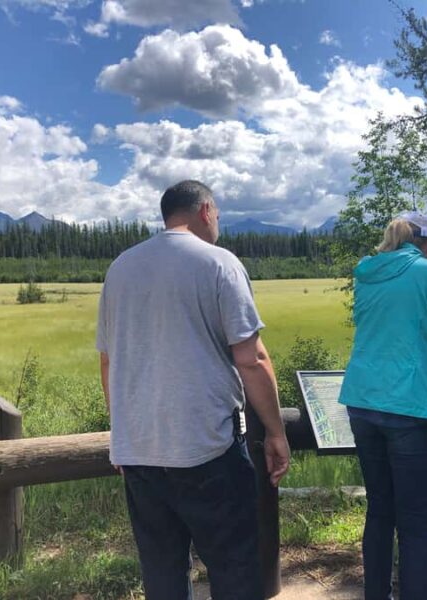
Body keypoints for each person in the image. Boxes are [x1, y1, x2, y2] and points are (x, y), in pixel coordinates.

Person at [96, 180, 290, 600]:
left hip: (139, 451)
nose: (217, 222)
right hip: (208, 447)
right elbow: (252, 359)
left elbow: (108, 360)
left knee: (162, 570)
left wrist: (121, 434)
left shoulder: (120, 268)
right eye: (217, 214)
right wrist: (275, 432)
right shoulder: (219, 263)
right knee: (234, 566)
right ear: (205, 211)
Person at [338, 212, 427, 600]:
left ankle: (376, 594)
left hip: (362, 402)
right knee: (413, 521)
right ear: (426, 244)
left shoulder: (365, 272)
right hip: (414, 406)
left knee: (379, 509)